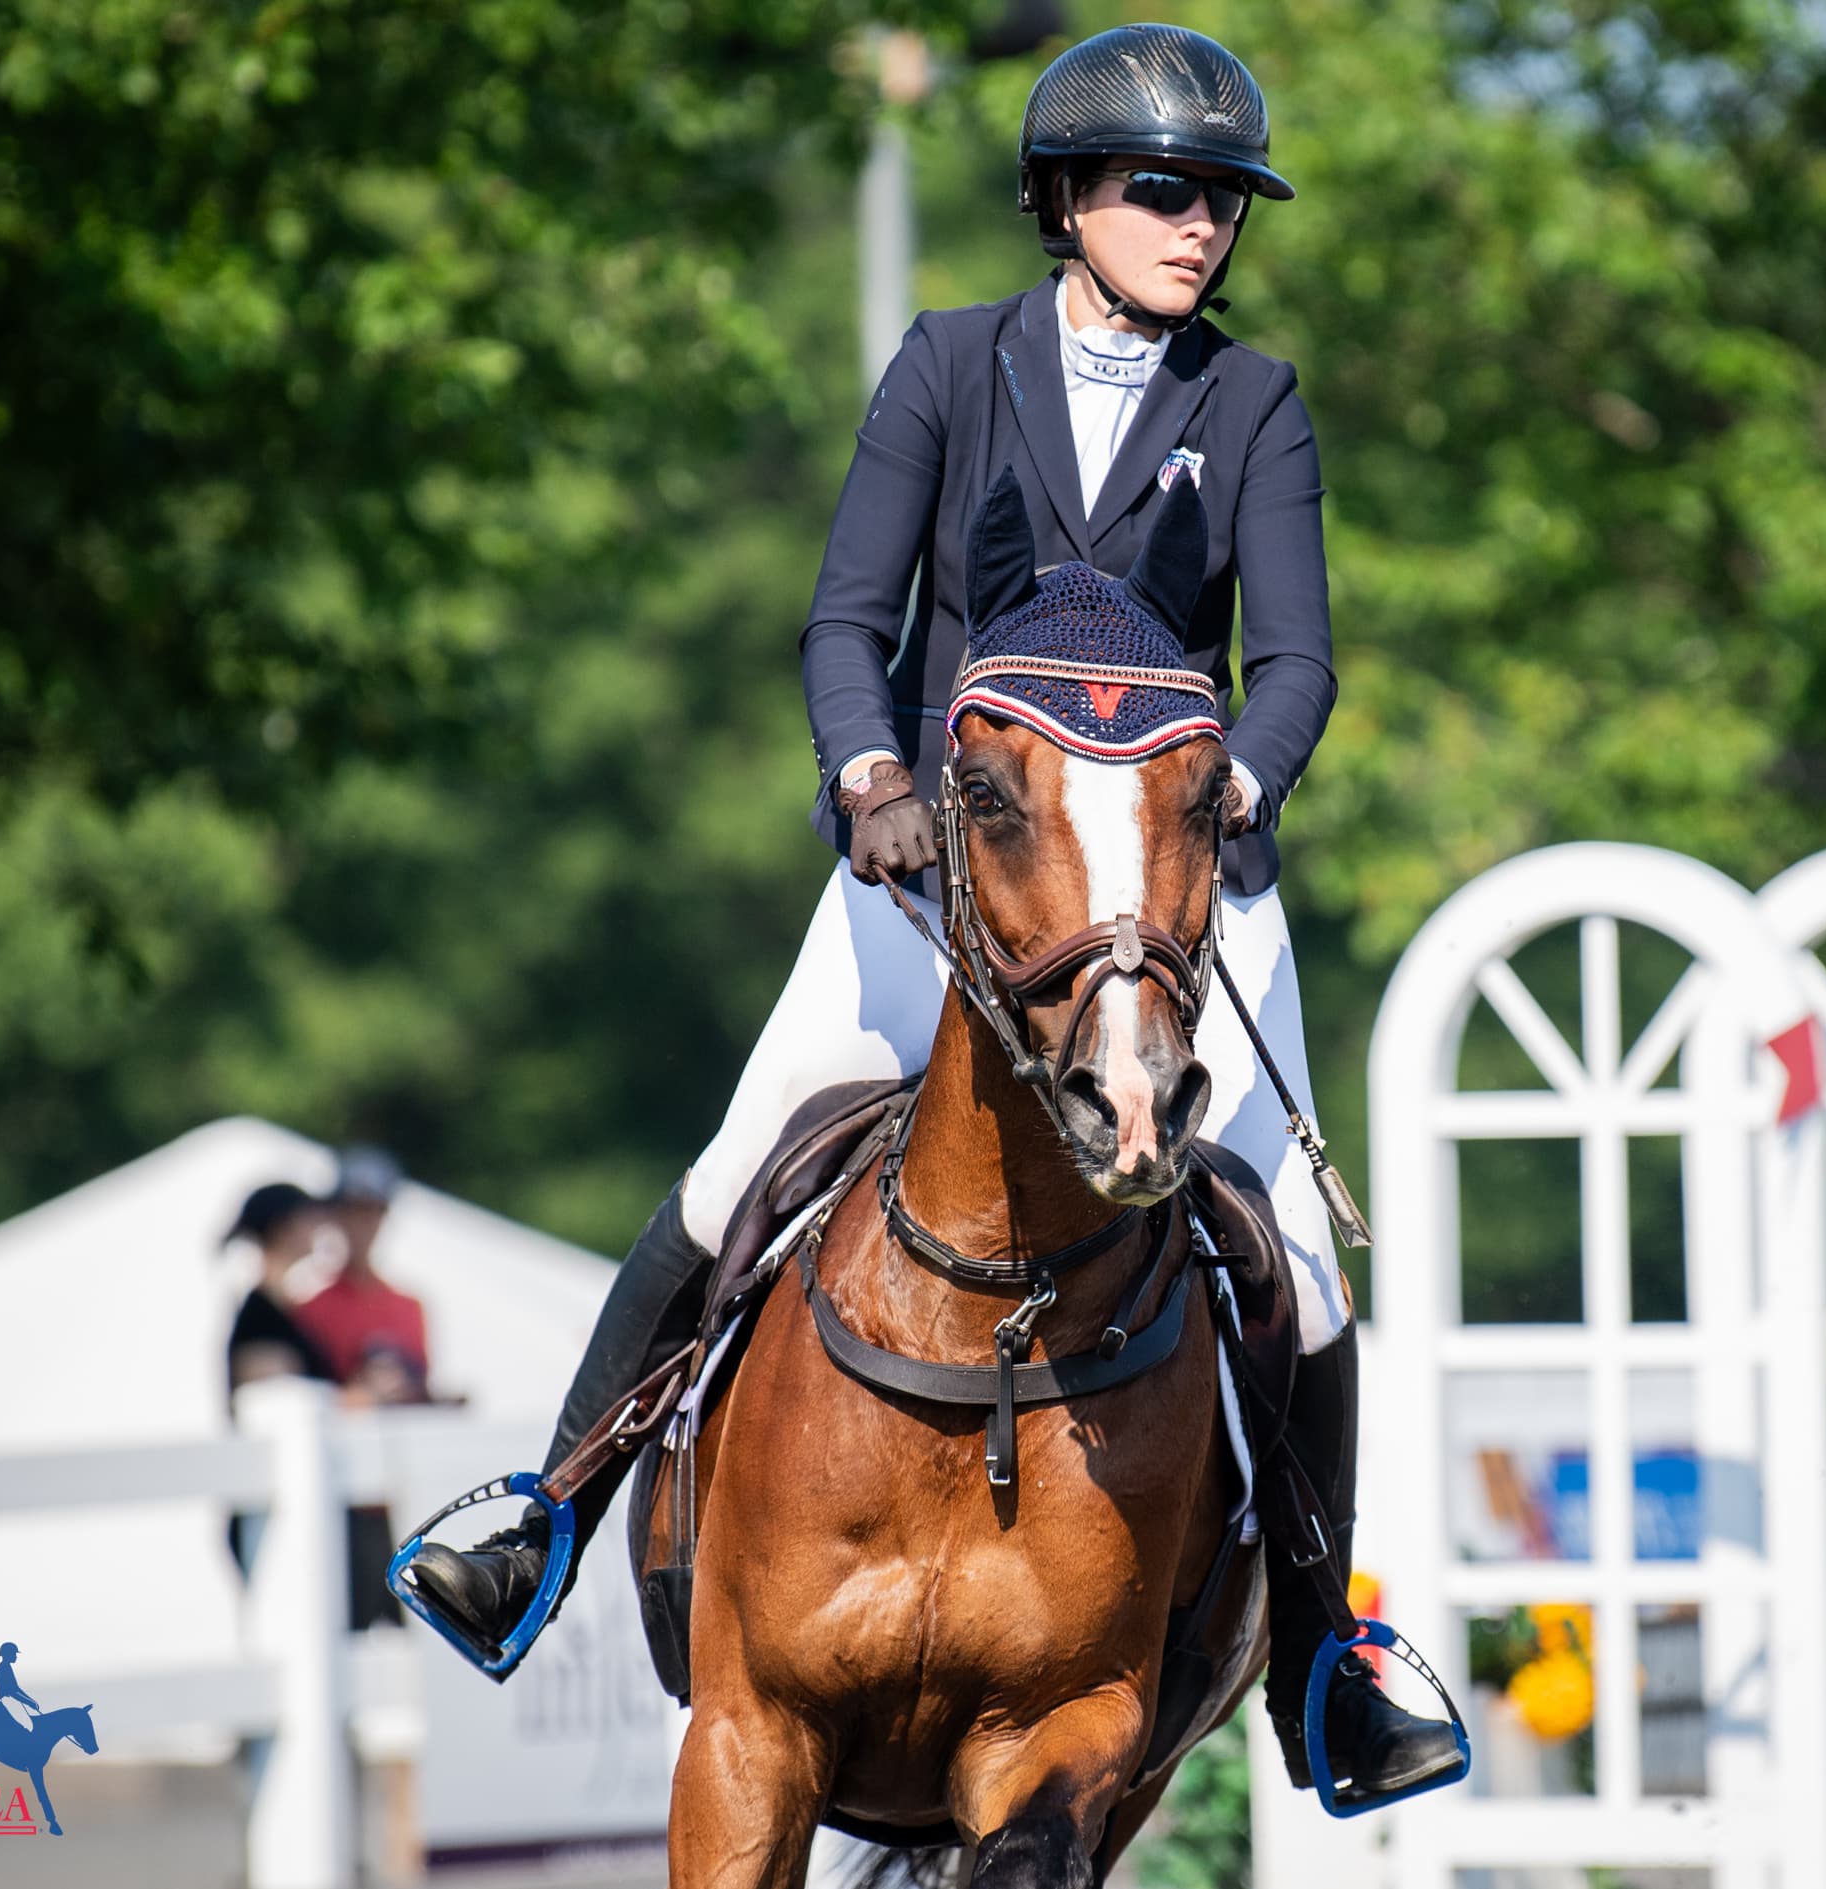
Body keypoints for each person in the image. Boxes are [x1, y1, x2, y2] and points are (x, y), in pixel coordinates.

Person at [404, 22, 1461, 1801]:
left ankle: (1320, 1652)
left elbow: (1295, 660)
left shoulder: (1252, 400)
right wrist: (868, 777)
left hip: (1173, 893)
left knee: (1299, 1258)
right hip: (942, 879)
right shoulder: (949, 364)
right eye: (1164, 190)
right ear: (1066, 199)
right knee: (737, 1169)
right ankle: (549, 1512)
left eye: (1223, 201)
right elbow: (849, 620)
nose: (1201, 224)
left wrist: (1235, 791)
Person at [289, 1147, 433, 1407]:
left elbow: (421, 1390)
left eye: (371, 1211)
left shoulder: (409, 1308)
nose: (362, 1223)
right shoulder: (311, 1311)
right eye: (353, 1211)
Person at [223, 1181, 337, 1397]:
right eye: (308, 1217)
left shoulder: (277, 1309)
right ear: (284, 1227)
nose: (317, 1226)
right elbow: (275, 1397)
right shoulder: (260, 1318)